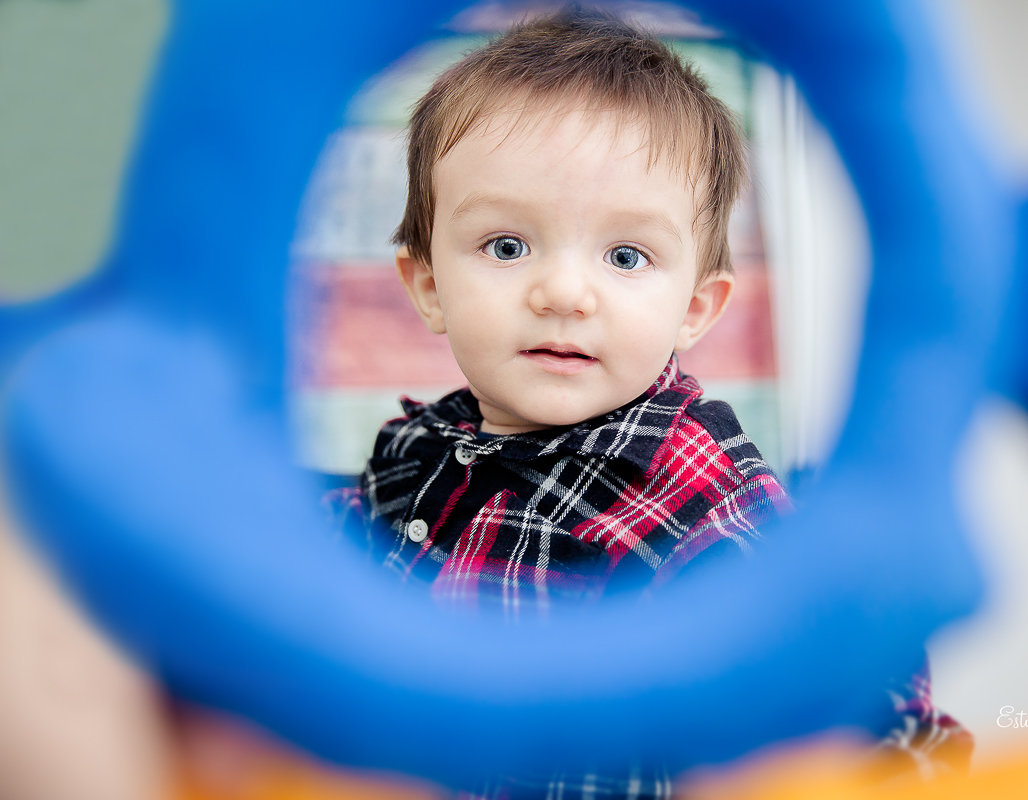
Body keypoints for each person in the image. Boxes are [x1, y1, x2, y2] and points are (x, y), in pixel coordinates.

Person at [325, 8, 970, 797]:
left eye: (626, 256)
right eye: (507, 246)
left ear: (695, 308)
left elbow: (870, 703)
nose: (564, 293)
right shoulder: (418, 452)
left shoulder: (696, 497)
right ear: (428, 286)